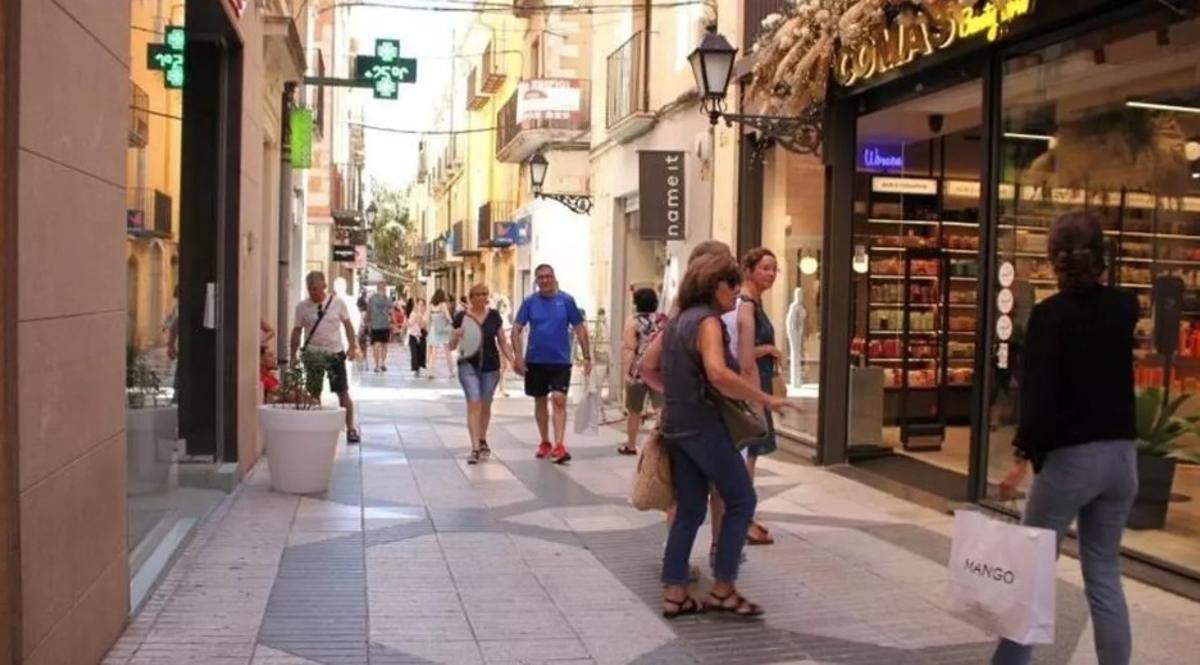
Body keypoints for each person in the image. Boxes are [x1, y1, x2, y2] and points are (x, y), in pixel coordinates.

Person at [992, 211, 1139, 665]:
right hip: (1121, 459)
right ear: (1101, 256)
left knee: (1033, 571)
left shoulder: (1049, 316)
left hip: (1072, 459)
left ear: (1054, 260)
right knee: (1104, 571)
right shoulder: (1125, 306)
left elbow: (1039, 394)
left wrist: (1021, 460)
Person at [637, 246, 797, 620]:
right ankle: (723, 588)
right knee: (741, 500)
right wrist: (764, 399)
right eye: (733, 286)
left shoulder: (676, 320)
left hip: (677, 426)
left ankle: (675, 591)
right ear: (717, 285)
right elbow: (719, 373)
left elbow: (646, 366)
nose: (736, 294)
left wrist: (676, 394)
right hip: (704, 427)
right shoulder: (707, 322)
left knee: (690, 509)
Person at [727, 247, 783, 546]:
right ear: (748, 270)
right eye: (765, 268)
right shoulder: (745, 304)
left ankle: (741, 516)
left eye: (775, 268)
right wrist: (769, 350)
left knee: (750, 455)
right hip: (751, 388)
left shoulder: (753, 303)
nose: (771, 274)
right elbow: (740, 354)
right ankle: (742, 519)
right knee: (747, 455)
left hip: (757, 385)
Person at [511, 264, 591, 464]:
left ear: (554, 278)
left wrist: (587, 356)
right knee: (539, 401)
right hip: (536, 360)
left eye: (548, 276)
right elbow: (516, 329)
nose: (544, 280)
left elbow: (580, 328)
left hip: (560, 360)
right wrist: (518, 357)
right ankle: (545, 441)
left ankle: (560, 444)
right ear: (536, 281)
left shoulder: (566, 301)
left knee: (558, 399)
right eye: (540, 278)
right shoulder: (529, 303)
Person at [290, 271, 361, 443]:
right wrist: (293, 355)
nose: (314, 293)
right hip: (313, 355)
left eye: (316, 289)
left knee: (342, 392)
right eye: (310, 289)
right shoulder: (302, 307)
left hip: (335, 353)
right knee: (314, 393)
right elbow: (297, 331)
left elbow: (348, 325)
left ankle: (351, 428)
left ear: (324, 286)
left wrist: (352, 346)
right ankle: (315, 428)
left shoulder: (337, 303)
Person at [450, 284, 516, 464]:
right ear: (470, 297)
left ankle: (482, 438)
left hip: (491, 365)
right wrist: (456, 336)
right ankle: (474, 448)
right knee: (474, 401)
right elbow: (451, 346)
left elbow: (502, 340)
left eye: (484, 294)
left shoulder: (494, 316)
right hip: (467, 364)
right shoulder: (461, 317)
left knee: (485, 404)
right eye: (477, 294)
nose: (481, 297)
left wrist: (512, 359)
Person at [619, 287, 665, 456]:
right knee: (661, 408)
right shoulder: (662, 321)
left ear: (636, 304)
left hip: (637, 371)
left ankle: (631, 445)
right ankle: (664, 444)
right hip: (658, 371)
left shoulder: (632, 322)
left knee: (634, 410)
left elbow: (629, 348)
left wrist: (627, 370)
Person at [428, 289, 456, 379]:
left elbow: (428, 318)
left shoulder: (431, 305)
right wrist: (452, 325)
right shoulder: (443, 304)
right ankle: (451, 372)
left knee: (434, 352)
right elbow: (448, 317)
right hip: (443, 330)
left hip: (434, 329)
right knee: (447, 352)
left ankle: (430, 371)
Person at [366, 283, 394, 372]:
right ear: (384, 288)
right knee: (384, 345)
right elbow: (391, 311)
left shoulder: (372, 299)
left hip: (375, 325)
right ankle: (382, 363)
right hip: (384, 325)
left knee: (376, 345)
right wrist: (393, 323)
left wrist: (368, 322)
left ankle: (377, 365)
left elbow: (368, 311)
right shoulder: (387, 299)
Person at [406, 297, 429, 378]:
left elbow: (423, 325)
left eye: (422, 305)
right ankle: (416, 369)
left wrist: (419, 316)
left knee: (421, 353)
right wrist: (408, 320)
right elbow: (409, 324)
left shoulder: (426, 314)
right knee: (414, 353)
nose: (421, 306)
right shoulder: (413, 313)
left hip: (422, 335)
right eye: (419, 304)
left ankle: (419, 367)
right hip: (413, 335)